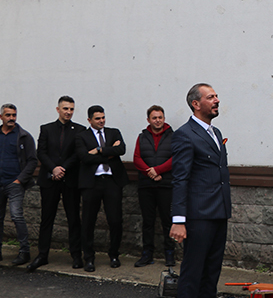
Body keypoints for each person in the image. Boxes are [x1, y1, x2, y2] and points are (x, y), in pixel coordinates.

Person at [169, 83, 231, 298]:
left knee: (212, 271)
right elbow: (180, 178)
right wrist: (178, 219)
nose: (217, 100)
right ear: (196, 104)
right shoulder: (185, 135)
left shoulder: (216, 132)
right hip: (199, 216)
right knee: (193, 271)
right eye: (210, 97)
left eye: (216, 96)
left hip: (219, 212)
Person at [28, 96, 87, 272]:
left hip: (70, 180)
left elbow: (77, 154)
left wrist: (62, 169)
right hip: (49, 180)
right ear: (58, 109)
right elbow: (41, 152)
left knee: (74, 219)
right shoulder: (46, 129)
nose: (69, 112)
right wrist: (53, 169)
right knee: (47, 218)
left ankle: (76, 255)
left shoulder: (80, 130)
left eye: (71, 109)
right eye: (65, 109)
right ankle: (42, 255)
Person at [76, 105, 129, 271]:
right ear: (89, 120)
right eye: (97, 118)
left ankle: (114, 254)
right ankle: (89, 258)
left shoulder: (114, 132)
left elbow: (121, 149)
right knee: (88, 222)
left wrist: (99, 150)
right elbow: (83, 157)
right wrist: (108, 153)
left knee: (115, 220)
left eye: (103, 117)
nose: (101, 121)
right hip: (91, 183)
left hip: (112, 181)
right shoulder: (82, 136)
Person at [133, 105, 175, 267]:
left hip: (166, 185)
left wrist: (158, 170)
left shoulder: (174, 136)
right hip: (146, 185)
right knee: (148, 222)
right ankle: (147, 254)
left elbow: (176, 158)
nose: (157, 120)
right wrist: (149, 172)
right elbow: (137, 157)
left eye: (160, 117)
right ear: (148, 120)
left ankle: (169, 254)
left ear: (164, 119)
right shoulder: (142, 137)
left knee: (167, 221)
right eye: (154, 118)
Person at [0, 103, 37, 265]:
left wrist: (19, 180)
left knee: (16, 216)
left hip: (14, 184)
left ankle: (24, 251)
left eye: (14, 115)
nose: (11, 118)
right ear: (1, 117)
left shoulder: (23, 136)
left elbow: (32, 161)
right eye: (8, 115)